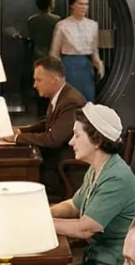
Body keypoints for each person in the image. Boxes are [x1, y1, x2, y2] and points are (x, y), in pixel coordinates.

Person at [56, 103, 135, 265]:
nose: (71, 142)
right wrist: (40, 211)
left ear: (96, 140)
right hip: (102, 262)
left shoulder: (116, 177)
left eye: (77, 135)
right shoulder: (98, 168)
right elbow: (74, 205)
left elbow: (85, 228)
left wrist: (39, 223)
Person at [9, 55, 88, 199]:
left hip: (64, 167)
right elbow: (48, 124)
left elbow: (53, 139)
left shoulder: (70, 101)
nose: (35, 85)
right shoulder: (61, 96)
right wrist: (21, 131)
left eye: (38, 80)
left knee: (18, 172)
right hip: (54, 161)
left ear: (52, 79)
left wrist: (16, 138)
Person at [49, 0, 104, 106]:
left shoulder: (93, 25)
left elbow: (94, 50)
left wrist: (99, 65)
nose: (83, 7)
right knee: (70, 99)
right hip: (68, 65)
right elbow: (54, 52)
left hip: (86, 66)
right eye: (80, 4)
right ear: (72, 5)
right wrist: (55, 72)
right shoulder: (62, 25)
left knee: (87, 100)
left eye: (86, 4)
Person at [26, 0, 61, 115]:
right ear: (50, 4)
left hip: (37, 52)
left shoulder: (31, 20)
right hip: (52, 53)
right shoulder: (57, 20)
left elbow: (30, 37)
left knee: (39, 81)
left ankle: (40, 110)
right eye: (53, 2)